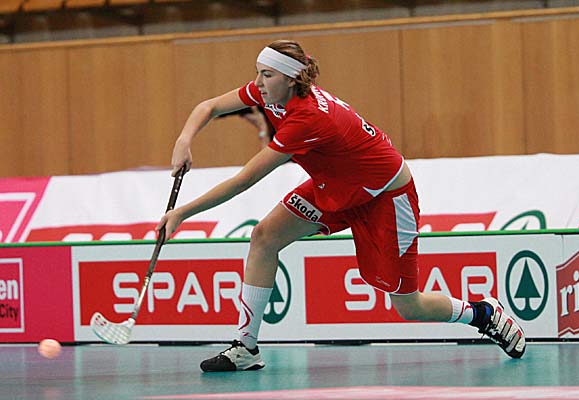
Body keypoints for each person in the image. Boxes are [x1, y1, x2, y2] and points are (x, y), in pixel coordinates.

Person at [157, 40, 526, 372]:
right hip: (336, 185)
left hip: (384, 197)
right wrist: (184, 140)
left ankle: (483, 313)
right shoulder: (272, 91)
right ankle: (245, 347)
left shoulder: (307, 119)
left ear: (290, 79)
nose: (258, 83)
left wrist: (182, 213)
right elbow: (209, 106)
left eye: (266, 74)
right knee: (265, 237)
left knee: (408, 306)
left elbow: (244, 180)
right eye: (258, 73)